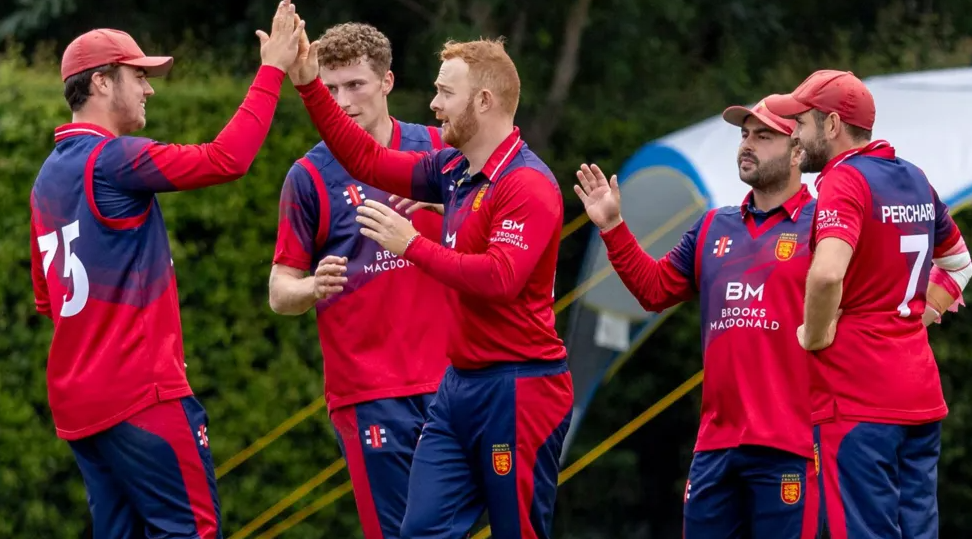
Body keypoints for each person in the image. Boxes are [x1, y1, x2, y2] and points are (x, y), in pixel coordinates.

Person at [29, 3, 304, 537]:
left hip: (81, 409)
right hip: (141, 396)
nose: (149, 89)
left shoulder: (44, 181)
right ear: (102, 83)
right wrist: (271, 68)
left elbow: (48, 301)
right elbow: (228, 159)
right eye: (139, 76)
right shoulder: (112, 159)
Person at [288, 32, 572, 539]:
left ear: (484, 102)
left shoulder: (527, 183)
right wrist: (309, 86)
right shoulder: (453, 170)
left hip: (519, 386)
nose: (434, 104)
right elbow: (367, 162)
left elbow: (500, 279)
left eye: (445, 93)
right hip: (458, 386)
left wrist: (410, 244)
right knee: (418, 530)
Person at [574, 98, 820, 539]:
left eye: (764, 136)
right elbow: (653, 290)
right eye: (745, 134)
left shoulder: (823, 226)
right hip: (716, 447)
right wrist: (613, 227)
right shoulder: (713, 227)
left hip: (790, 446)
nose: (748, 145)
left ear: (798, 151)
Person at [765, 70, 970, 539]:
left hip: (857, 399)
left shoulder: (844, 180)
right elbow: (960, 265)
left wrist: (812, 335)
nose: (794, 131)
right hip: (918, 395)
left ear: (833, 125)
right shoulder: (914, 178)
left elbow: (828, 272)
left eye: (802, 120)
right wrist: (921, 314)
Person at [268, 22, 451, 539]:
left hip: (456, 380)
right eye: (330, 89)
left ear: (388, 82)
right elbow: (281, 290)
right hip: (369, 392)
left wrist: (448, 204)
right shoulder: (308, 176)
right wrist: (312, 287)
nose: (343, 101)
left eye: (356, 86)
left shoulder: (438, 150)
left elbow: (497, 240)